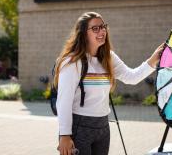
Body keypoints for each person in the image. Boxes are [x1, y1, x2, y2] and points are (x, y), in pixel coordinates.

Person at [55, 12, 164, 155]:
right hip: (79, 127)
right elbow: (63, 101)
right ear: (83, 34)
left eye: (103, 26)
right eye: (95, 28)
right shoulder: (72, 62)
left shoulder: (108, 57)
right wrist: (64, 135)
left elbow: (132, 77)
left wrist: (153, 59)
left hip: (103, 127)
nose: (102, 31)